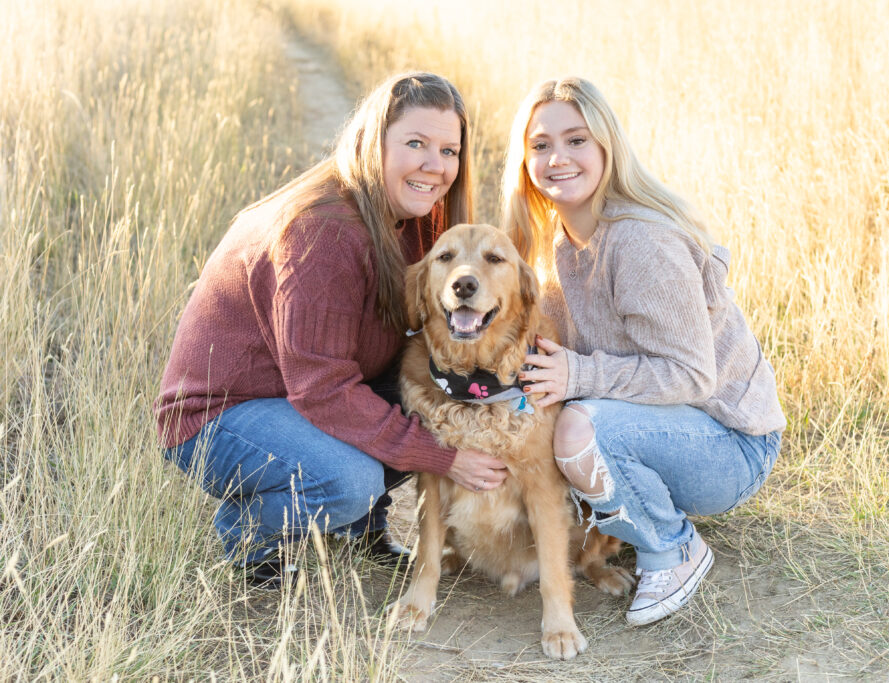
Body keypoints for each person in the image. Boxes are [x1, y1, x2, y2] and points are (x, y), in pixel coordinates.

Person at [155, 72, 509, 589]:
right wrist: (443, 455)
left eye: (449, 150)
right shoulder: (322, 231)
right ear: (374, 142)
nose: (436, 166)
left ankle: (361, 528)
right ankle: (248, 533)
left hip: (296, 397)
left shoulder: (416, 218)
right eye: (416, 144)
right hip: (219, 416)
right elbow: (322, 389)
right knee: (349, 481)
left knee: (440, 394)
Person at [501, 77, 786, 626]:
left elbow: (691, 376)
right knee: (556, 415)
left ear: (607, 146)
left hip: (728, 444)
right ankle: (636, 507)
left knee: (579, 428)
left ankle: (673, 548)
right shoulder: (562, 244)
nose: (557, 158)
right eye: (540, 145)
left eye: (576, 140)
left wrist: (577, 374)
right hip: (665, 430)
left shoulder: (640, 242)